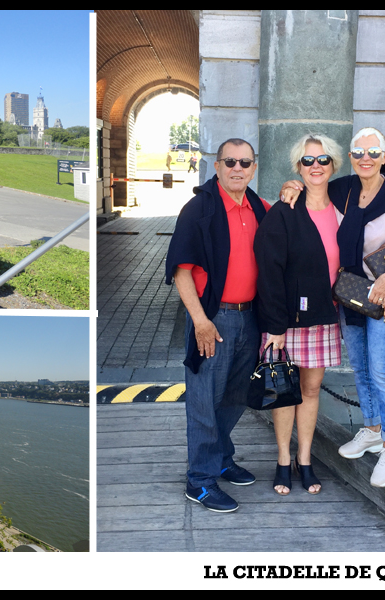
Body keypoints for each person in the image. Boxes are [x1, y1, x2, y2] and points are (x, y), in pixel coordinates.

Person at [278, 127, 385, 487]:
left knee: (380, 368)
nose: (366, 158)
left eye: (373, 151)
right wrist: (291, 184)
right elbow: (312, 179)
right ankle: (372, 428)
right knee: (360, 366)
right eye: (359, 152)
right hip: (353, 294)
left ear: (384, 154)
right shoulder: (344, 189)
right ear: (351, 156)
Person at [165, 138, 271, 512]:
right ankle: (201, 480)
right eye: (230, 162)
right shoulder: (199, 210)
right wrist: (200, 321)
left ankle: (221, 456)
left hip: (250, 317)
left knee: (236, 396)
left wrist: (294, 190)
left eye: (245, 162)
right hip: (215, 317)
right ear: (217, 166)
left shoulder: (260, 207)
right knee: (204, 401)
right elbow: (180, 272)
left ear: (254, 167)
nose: (237, 168)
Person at [254, 133, 345, 496]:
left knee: (310, 390)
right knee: (284, 392)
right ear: (298, 167)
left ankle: (304, 460)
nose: (315, 167)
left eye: (322, 160)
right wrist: (275, 324)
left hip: (324, 316)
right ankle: (282, 460)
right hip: (287, 321)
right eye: (307, 161)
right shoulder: (285, 210)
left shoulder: (345, 207)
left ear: (334, 165)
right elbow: (269, 269)